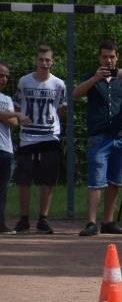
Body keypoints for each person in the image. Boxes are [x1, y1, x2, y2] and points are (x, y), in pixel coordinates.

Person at [74, 40, 122, 236]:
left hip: (121, 137)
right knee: (96, 181)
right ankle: (91, 222)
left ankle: (108, 221)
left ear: (117, 57)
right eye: (105, 57)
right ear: (99, 57)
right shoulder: (93, 76)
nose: (108, 60)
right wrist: (95, 79)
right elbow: (75, 94)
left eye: (112, 56)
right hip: (99, 137)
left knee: (115, 181)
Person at [11, 45, 66, 235]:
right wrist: (21, 118)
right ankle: (24, 219)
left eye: (47, 60)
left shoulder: (59, 84)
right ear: (36, 61)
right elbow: (16, 106)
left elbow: (61, 109)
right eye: (41, 59)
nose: (44, 63)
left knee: (48, 180)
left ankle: (43, 219)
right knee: (24, 180)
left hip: (50, 135)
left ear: (52, 62)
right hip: (27, 136)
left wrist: (52, 124)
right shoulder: (24, 82)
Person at [0, 60, 29, 235]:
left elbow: (13, 124)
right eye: (0, 75)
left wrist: (9, 116)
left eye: (5, 76)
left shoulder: (7, 99)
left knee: (2, 191)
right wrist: (15, 113)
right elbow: (14, 118)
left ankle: (1, 224)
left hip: (5, 149)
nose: (3, 79)